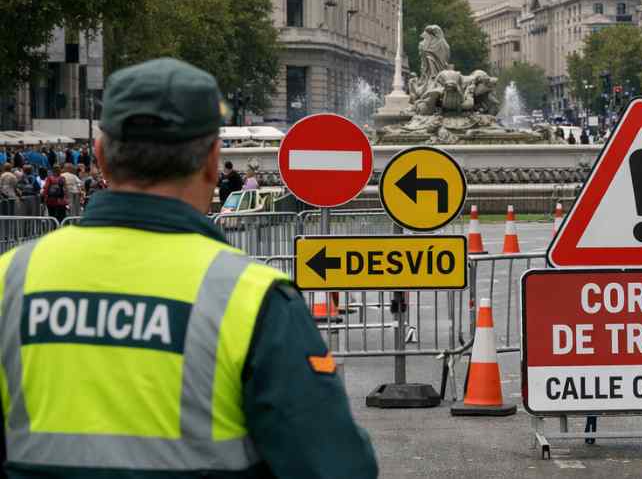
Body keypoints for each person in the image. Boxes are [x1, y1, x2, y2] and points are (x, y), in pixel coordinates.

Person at [0, 58, 377, 477]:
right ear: (213, 161)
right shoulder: (252, 299)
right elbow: (335, 467)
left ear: (101, 155)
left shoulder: (11, 279)